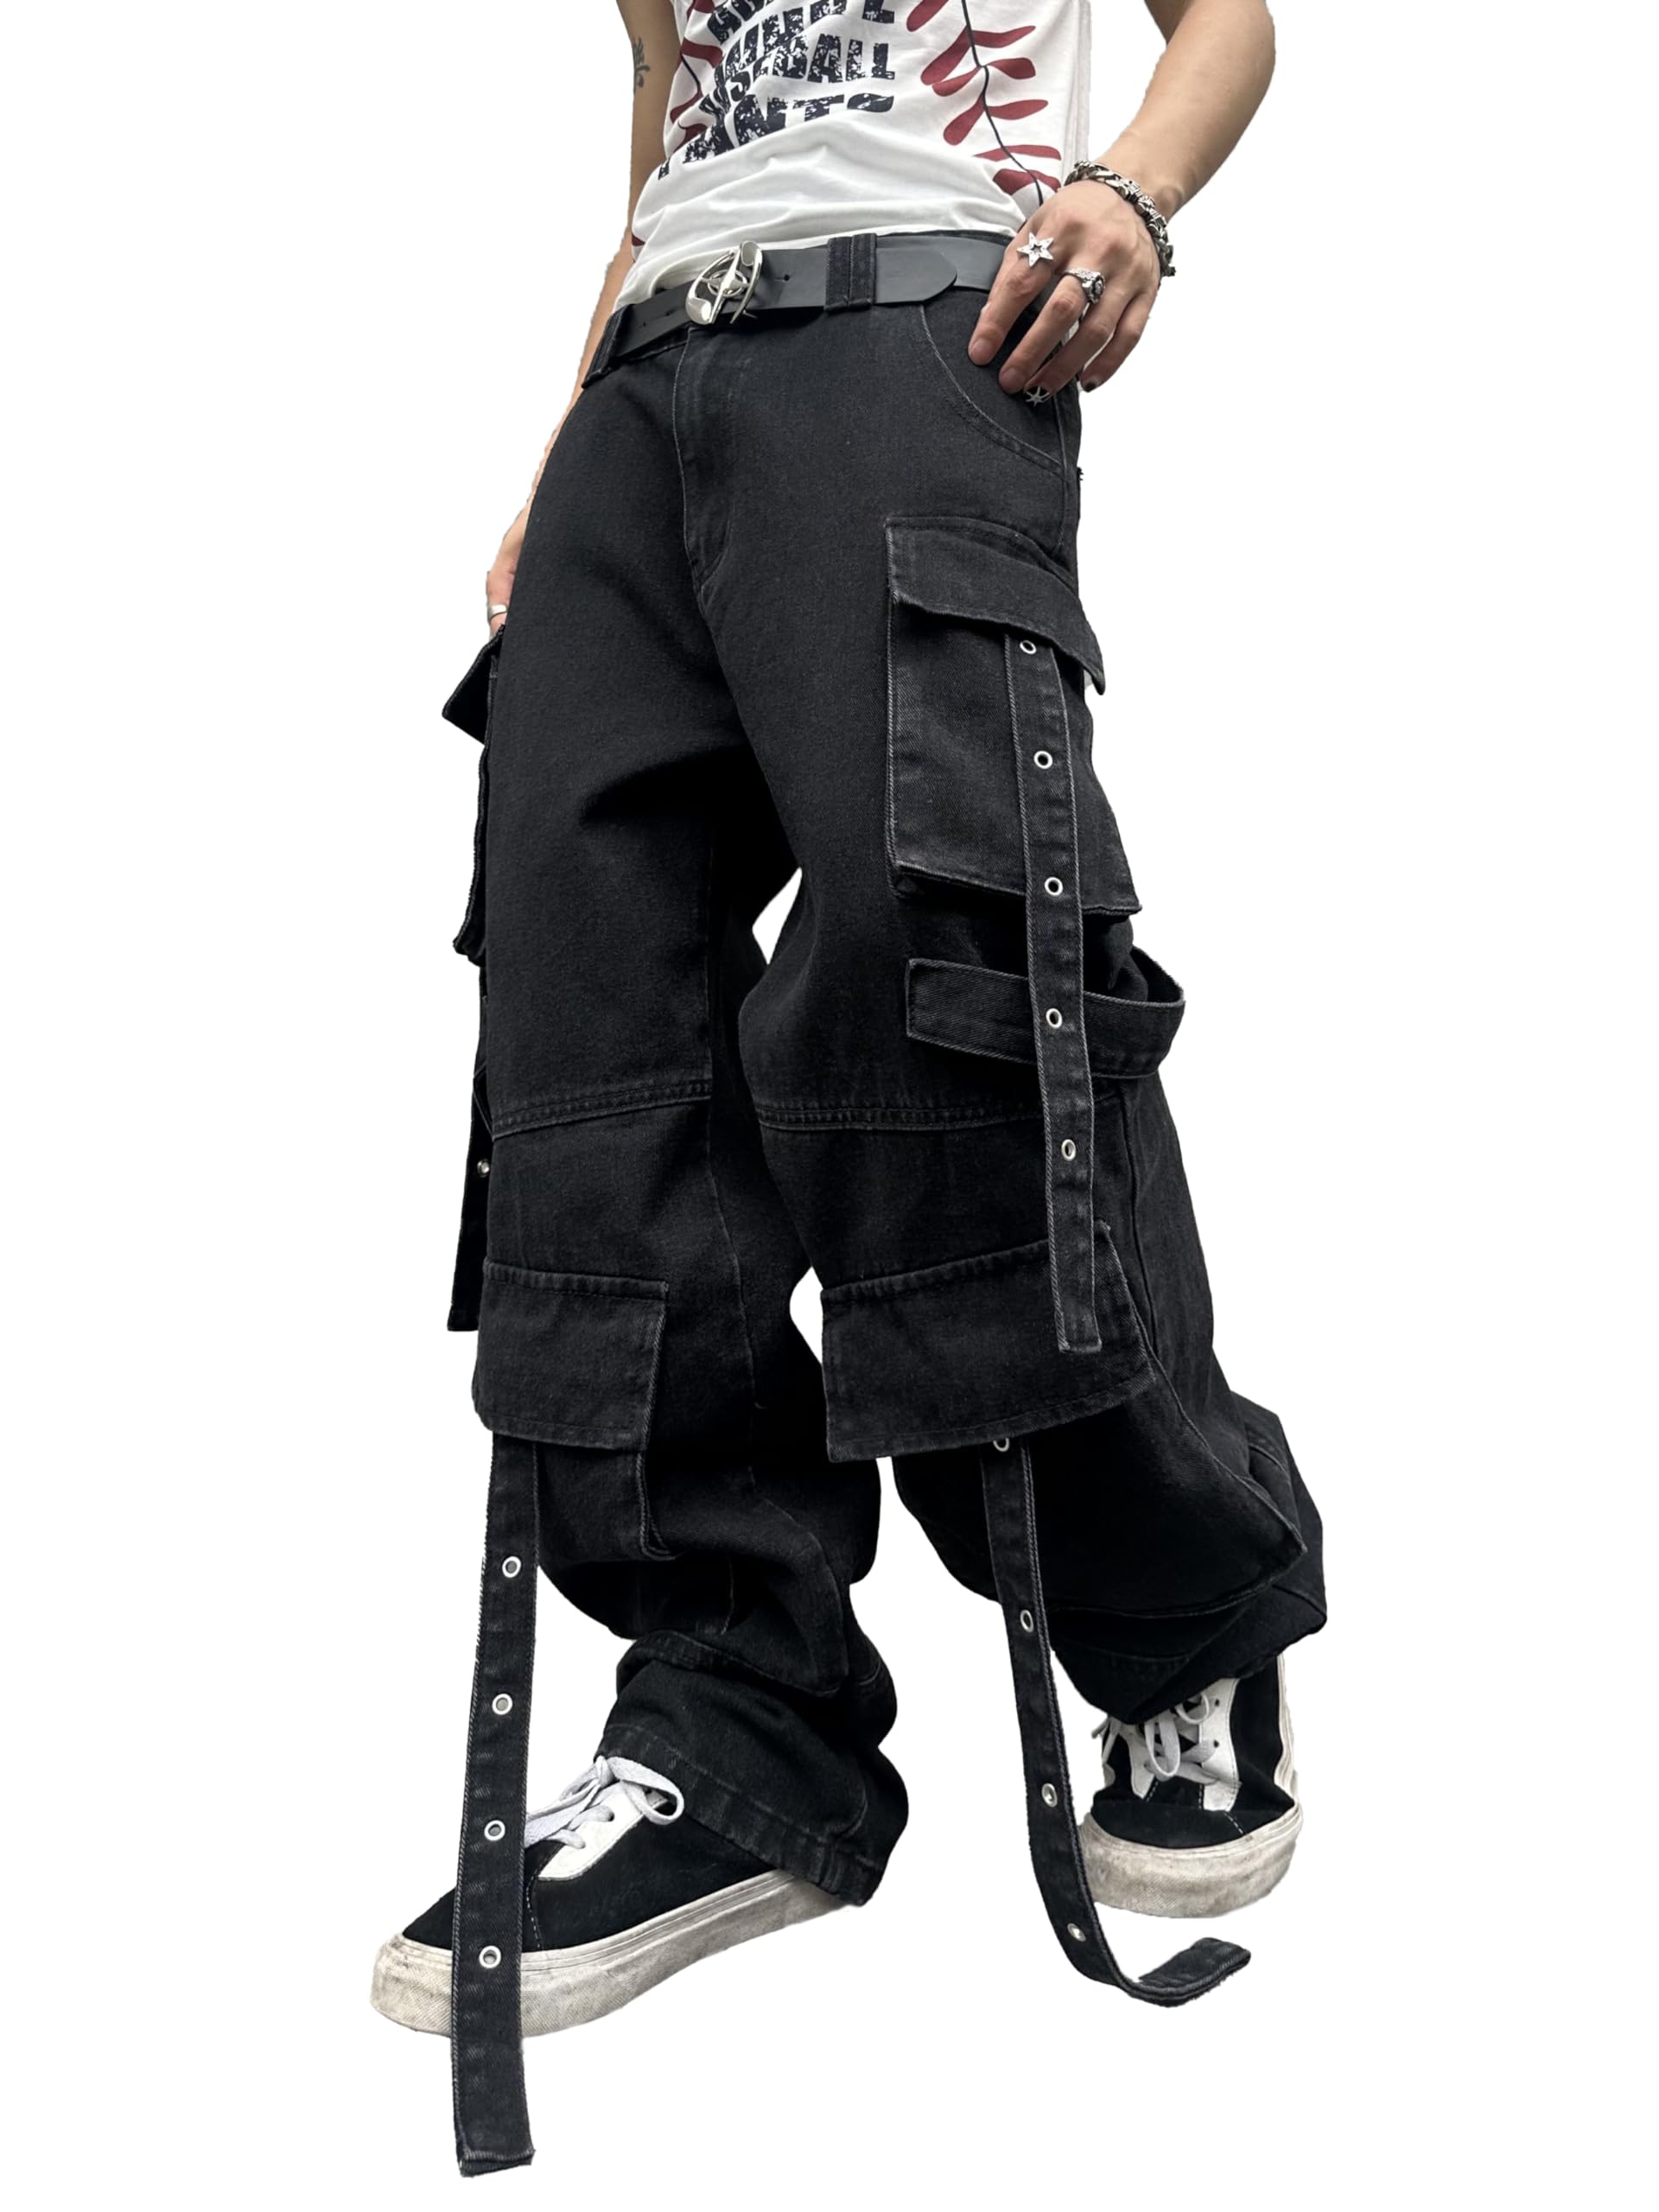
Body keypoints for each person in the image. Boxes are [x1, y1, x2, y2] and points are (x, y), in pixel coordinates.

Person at [371, 0, 1325, 2175]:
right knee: (590, 1021)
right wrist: (573, 429)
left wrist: (1133, 195)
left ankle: (1180, 1611)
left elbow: (1231, 19)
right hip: (653, 384)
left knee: (955, 966)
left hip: (918, 327)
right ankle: (739, 1716)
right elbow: (668, 106)